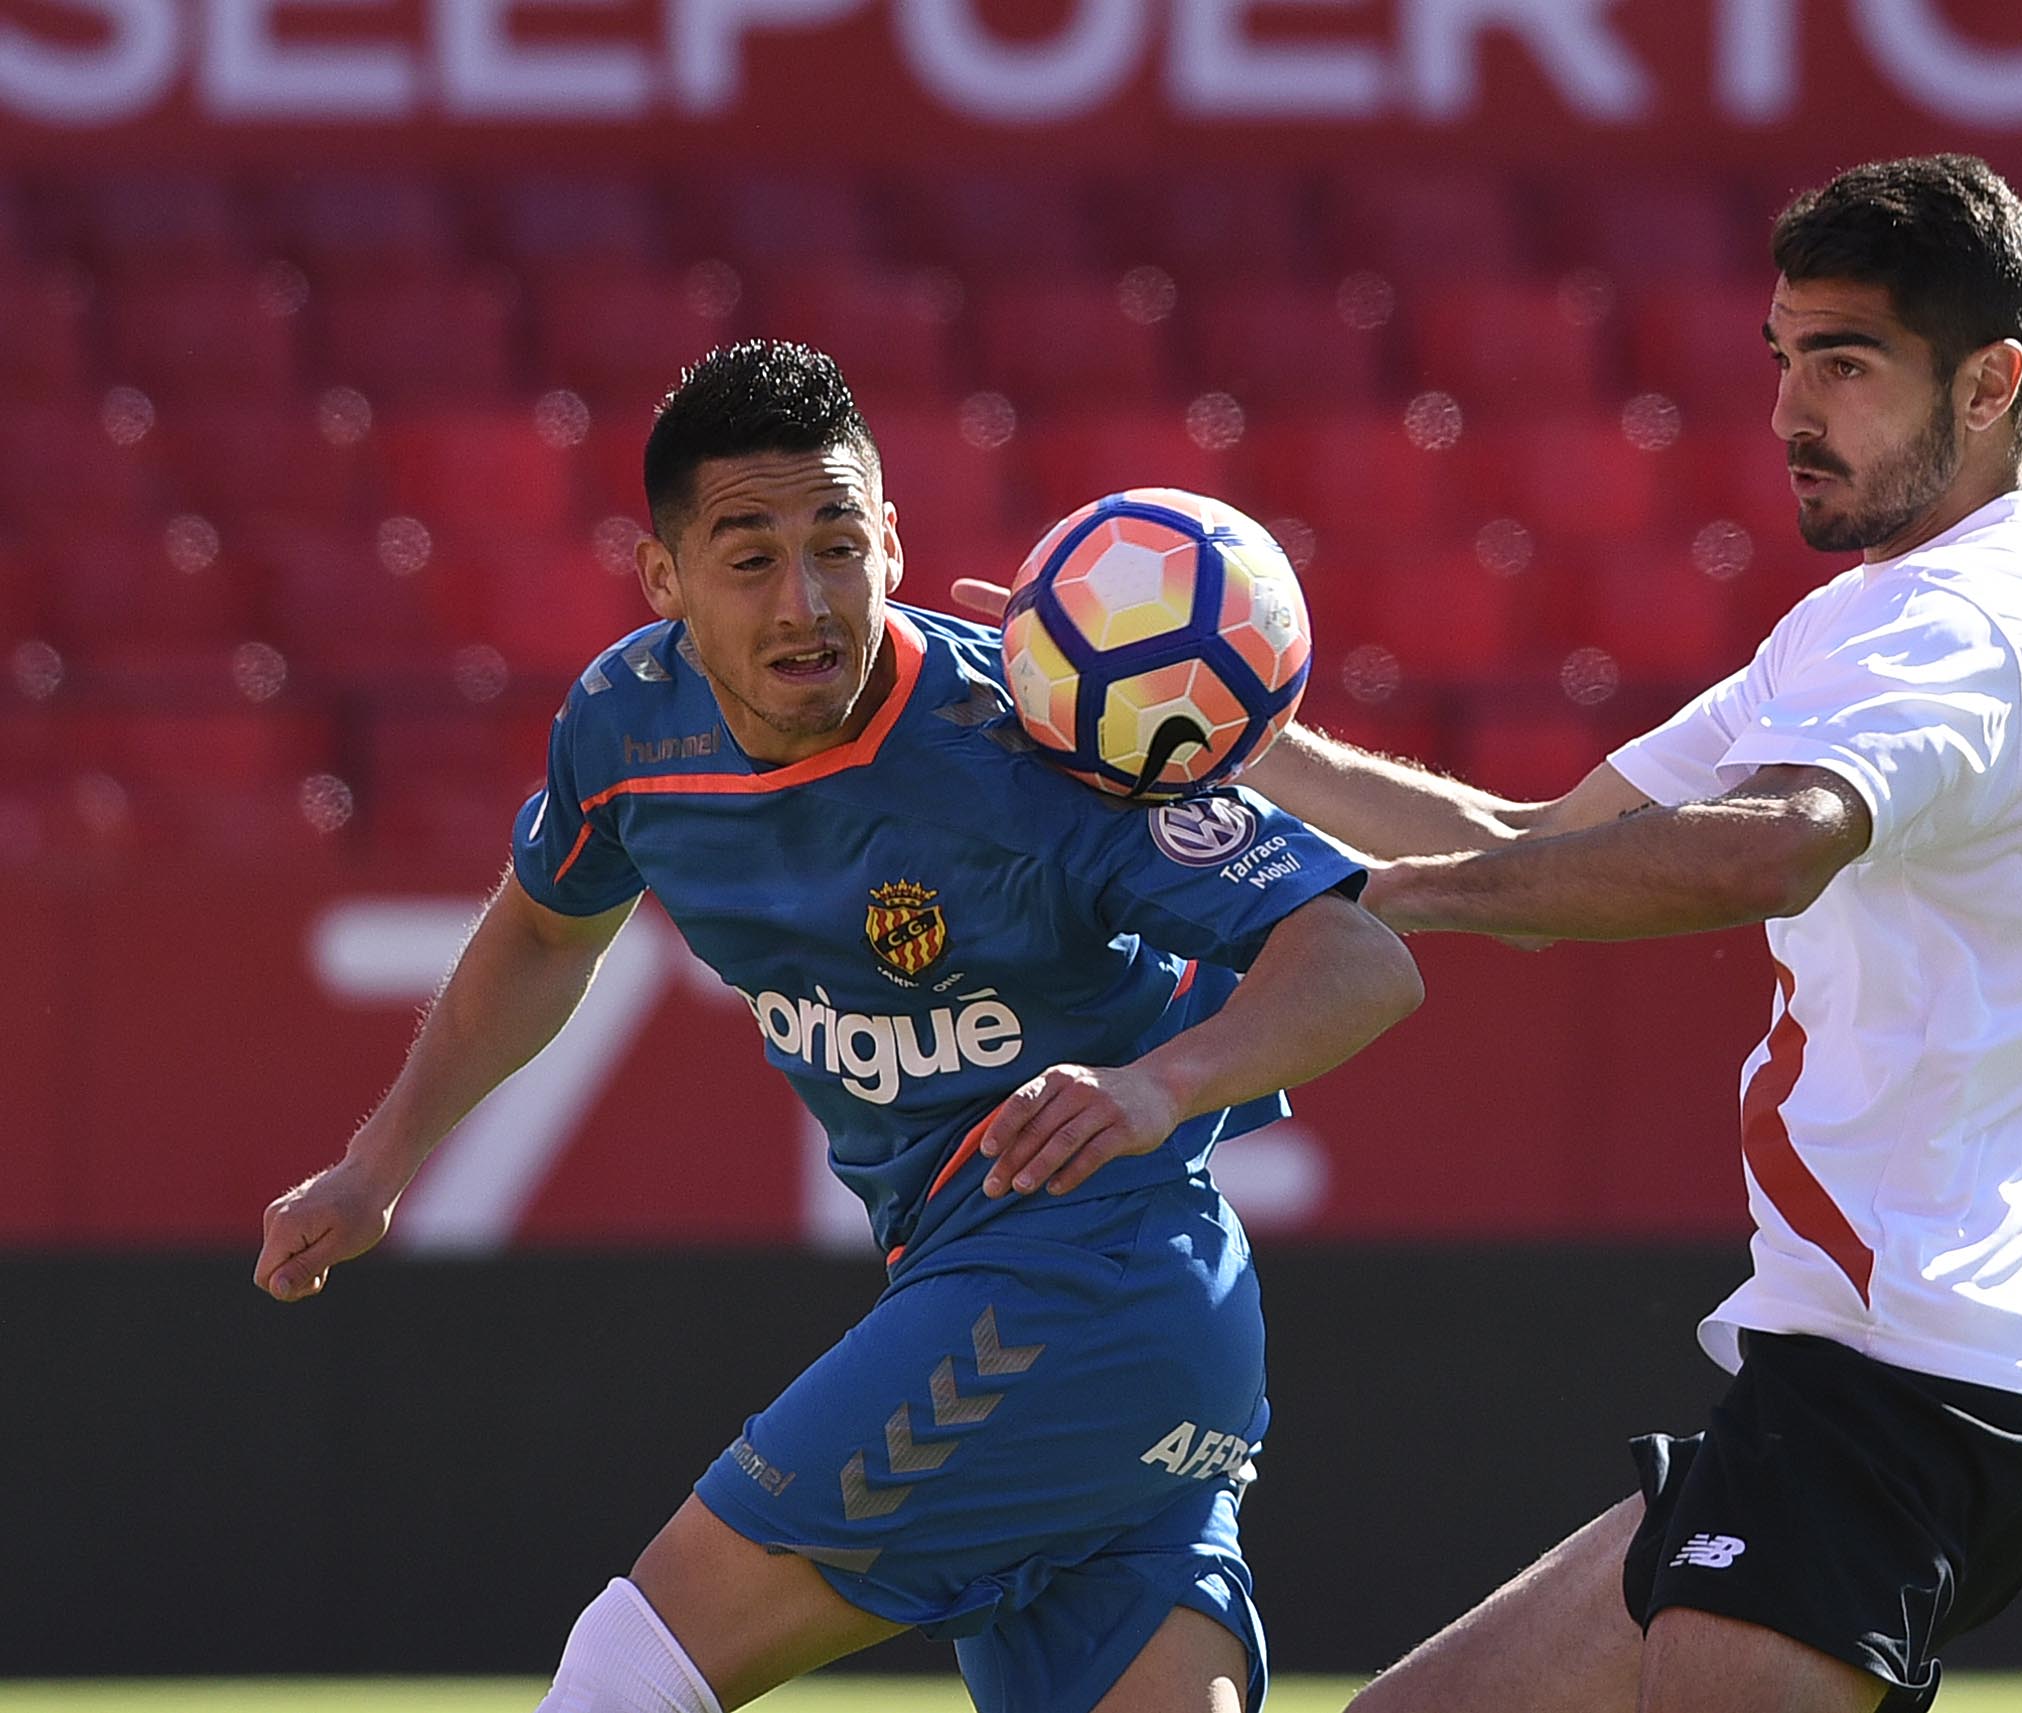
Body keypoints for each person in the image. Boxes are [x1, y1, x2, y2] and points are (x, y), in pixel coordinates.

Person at [967, 152, 2022, 1713]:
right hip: (1863, 1378)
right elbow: (1544, 842)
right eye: (1786, 359)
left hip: (1905, 1382)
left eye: (1850, 366)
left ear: (1996, 381)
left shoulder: (1966, 621)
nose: (1796, 410)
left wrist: (1374, 904)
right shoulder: (1871, 619)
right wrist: (1219, 726)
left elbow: (1776, 846)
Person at [254, 339, 1423, 1713]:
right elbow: (542, 927)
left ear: (893, 544)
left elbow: (1358, 954)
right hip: (1109, 1333)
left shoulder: (1030, 740)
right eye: (750, 558)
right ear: (664, 578)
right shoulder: (628, 729)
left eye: (839, 547)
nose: (807, 602)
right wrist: (381, 1157)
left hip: (1078, 1283)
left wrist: (1169, 1080)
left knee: (628, 1672)